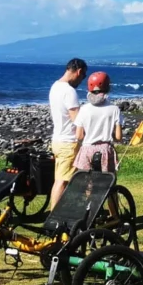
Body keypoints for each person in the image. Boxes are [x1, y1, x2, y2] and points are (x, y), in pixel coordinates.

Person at [48, 57, 88, 210]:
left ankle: (65, 210)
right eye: (83, 76)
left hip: (57, 140)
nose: (82, 80)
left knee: (61, 179)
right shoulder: (69, 91)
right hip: (68, 142)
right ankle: (54, 216)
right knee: (62, 181)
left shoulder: (55, 87)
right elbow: (77, 120)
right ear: (79, 72)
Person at [73, 71, 123, 172]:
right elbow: (118, 137)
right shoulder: (114, 109)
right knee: (106, 182)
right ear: (108, 88)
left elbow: (79, 136)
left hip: (87, 149)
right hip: (106, 150)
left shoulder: (84, 109)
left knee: (87, 182)